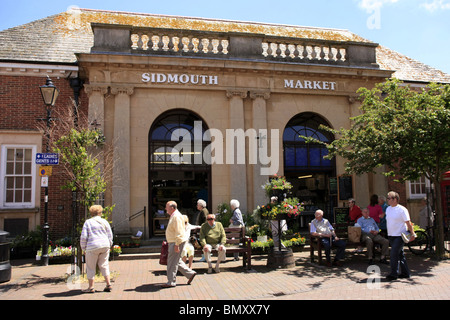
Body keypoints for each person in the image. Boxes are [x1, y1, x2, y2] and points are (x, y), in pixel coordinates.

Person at [162, 201, 196, 288]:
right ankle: (190, 274)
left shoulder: (176, 216)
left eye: (167, 207)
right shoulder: (175, 216)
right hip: (175, 241)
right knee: (176, 260)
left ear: (172, 208)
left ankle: (171, 281)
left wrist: (177, 244)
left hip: (175, 242)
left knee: (172, 262)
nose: (165, 209)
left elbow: (179, 232)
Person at [80, 205, 113, 293]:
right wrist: (109, 244)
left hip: (92, 246)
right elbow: (110, 235)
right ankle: (108, 284)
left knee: (91, 267)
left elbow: (84, 237)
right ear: (100, 212)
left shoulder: (88, 222)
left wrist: (83, 248)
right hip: (104, 245)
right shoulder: (104, 221)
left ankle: (91, 287)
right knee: (104, 265)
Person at [385, 191, 416, 281]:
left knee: (393, 254)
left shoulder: (402, 209)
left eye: (389, 198)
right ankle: (405, 273)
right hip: (391, 235)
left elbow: (408, 222)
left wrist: (412, 233)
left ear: (395, 199)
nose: (388, 200)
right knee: (400, 254)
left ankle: (393, 274)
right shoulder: (388, 209)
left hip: (400, 235)